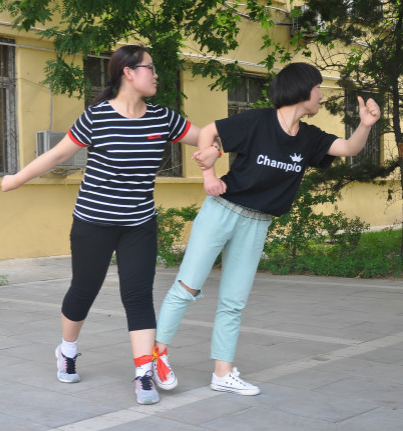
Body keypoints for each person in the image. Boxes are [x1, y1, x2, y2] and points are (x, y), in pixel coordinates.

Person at [151, 62, 381, 396]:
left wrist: (365, 125)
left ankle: (222, 373)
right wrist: (209, 176)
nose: (320, 95)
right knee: (187, 286)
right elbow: (209, 131)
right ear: (302, 90)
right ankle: (157, 355)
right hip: (222, 211)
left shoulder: (309, 138)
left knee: (233, 301)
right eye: (317, 88)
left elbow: (349, 148)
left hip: (257, 222)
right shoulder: (258, 121)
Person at [0, 45, 200, 405]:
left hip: (139, 222)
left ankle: (143, 373)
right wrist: (16, 179)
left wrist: (227, 146)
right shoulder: (97, 117)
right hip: (93, 221)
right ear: (129, 73)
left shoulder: (163, 119)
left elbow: (206, 136)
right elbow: (59, 154)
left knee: (138, 295)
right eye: (150, 68)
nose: (156, 75)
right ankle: (67, 350)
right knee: (84, 289)